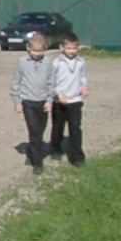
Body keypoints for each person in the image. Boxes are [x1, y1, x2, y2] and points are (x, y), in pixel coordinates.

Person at [10, 32, 55, 175]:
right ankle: (38, 162)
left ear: (45, 49)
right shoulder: (22, 62)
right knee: (34, 131)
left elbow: (52, 82)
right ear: (28, 48)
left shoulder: (48, 62)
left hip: (42, 102)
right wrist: (17, 102)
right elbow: (16, 82)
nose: (37, 54)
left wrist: (49, 100)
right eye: (34, 51)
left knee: (40, 131)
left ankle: (31, 151)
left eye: (40, 51)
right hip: (28, 101)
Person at [51, 32, 89, 168]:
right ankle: (55, 148)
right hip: (59, 101)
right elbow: (51, 81)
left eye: (74, 48)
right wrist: (58, 93)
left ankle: (77, 157)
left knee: (75, 129)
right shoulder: (56, 63)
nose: (71, 51)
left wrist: (84, 86)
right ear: (61, 47)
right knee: (58, 127)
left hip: (75, 100)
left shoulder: (80, 62)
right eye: (68, 48)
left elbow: (82, 76)